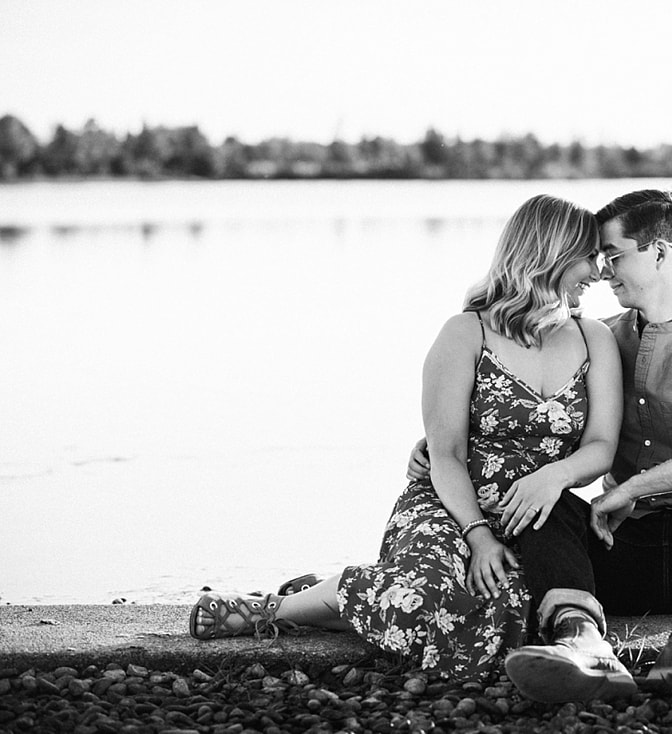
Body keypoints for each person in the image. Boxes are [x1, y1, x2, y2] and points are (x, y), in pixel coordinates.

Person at [188, 194, 624, 682]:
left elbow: (601, 446)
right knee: (428, 591)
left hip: (539, 519)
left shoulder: (594, 339)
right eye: (590, 256)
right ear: (553, 252)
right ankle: (274, 609)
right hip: (451, 503)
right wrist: (477, 534)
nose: (600, 270)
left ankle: (334, 595)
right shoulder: (466, 333)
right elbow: (446, 452)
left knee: (513, 608)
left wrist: (554, 477)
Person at [409, 189, 672, 702]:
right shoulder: (594, 339)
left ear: (659, 253)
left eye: (615, 256)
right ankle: (581, 642)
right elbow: (513, 408)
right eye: (599, 258)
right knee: (548, 499)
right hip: (616, 546)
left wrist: (633, 486)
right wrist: (434, 445)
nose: (603, 271)